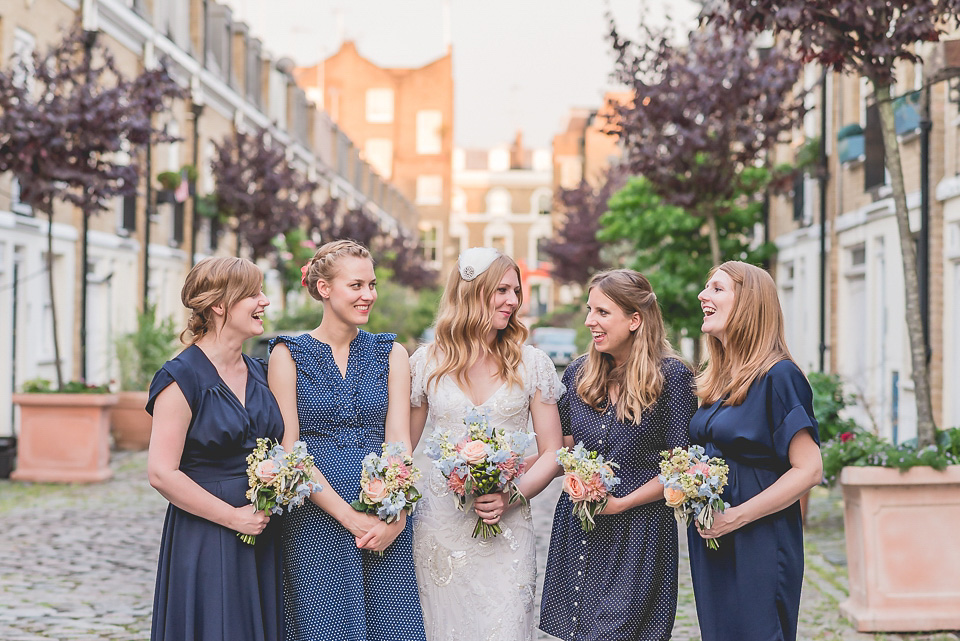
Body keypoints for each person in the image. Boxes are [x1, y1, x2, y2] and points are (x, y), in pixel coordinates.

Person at [267, 240, 425, 641]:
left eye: (371, 285)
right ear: (324, 288)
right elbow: (288, 450)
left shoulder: (391, 353)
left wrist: (397, 515)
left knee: (392, 626)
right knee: (324, 628)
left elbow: (399, 442)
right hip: (315, 520)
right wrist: (348, 516)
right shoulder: (287, 354)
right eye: (356, 285)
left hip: (383, 518)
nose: (368, 295)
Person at [409, 247, 564, 641]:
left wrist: (513, 495)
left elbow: (552, 452)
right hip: (440, 528)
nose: (513, 301)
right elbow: (402, 449)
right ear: (471, 292)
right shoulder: (427, 362)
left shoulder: (532, 363)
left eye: (516, 292)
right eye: (502, 291)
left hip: (508, 533)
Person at [539, 269, 696, 641]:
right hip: (579, 528)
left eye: (602, 312)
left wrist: (623, 503)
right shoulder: (579, 373)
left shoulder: (672, 378)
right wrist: (502, 476)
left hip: (639, 534)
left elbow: (681, 466)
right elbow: (558, 450)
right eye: (590, 310)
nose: (590, 321)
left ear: (635, 320)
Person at [146, 256, 283, 641]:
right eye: (253, 294)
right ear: (219, 305)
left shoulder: (260, 370)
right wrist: (233, 518)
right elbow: (161, 472)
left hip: (262, 529)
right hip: (207, 532)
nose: (265, 301)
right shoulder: (181, 377)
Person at [688, 261, 822, 641]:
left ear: (748, 303)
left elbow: (809, 470)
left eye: (716, 288)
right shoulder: (718, 378)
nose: (703, 295)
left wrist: (738, 517)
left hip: (760, 538)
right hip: (713, 534)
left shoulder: (780, 376)